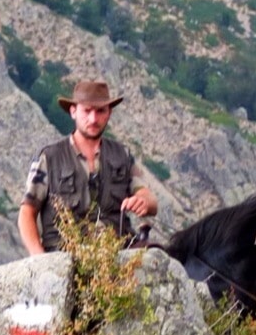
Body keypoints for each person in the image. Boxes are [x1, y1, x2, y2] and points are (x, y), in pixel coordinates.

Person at [19, 80, 159, 253]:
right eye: (87, 111)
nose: (93, 119)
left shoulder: (122, 155)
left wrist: (143, 201)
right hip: (66, 254)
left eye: (100, 111)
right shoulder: (49, 158)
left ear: (109, 113)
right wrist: (40, 258)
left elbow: (150, 200)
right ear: (73, 112)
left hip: (119, 252)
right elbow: (27, 213)